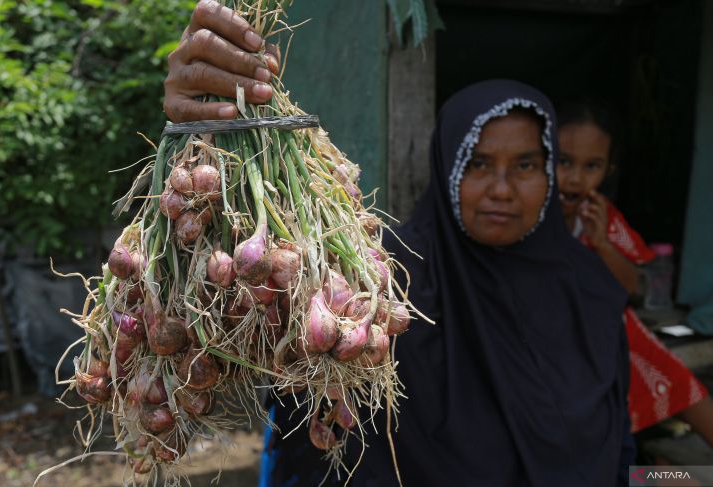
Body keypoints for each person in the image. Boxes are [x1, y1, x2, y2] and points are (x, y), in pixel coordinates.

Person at [164, 4, 635, 485]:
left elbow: (620, 445)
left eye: (526, 166)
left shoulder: (589, 288)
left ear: (551, 173)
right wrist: (202, 122)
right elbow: (246, 300)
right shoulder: (382, 278)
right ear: (445, 168)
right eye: (477, 164)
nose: (501, 188)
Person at [556, 98, 713, 446]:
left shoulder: (599, 215)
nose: (575, 178)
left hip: (615, 330)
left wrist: (603, 245)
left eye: (591, 166)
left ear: (608, 170)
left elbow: (632, 287)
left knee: (676, 380)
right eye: (563, 161)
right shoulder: (527, 214)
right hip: (563, 340)